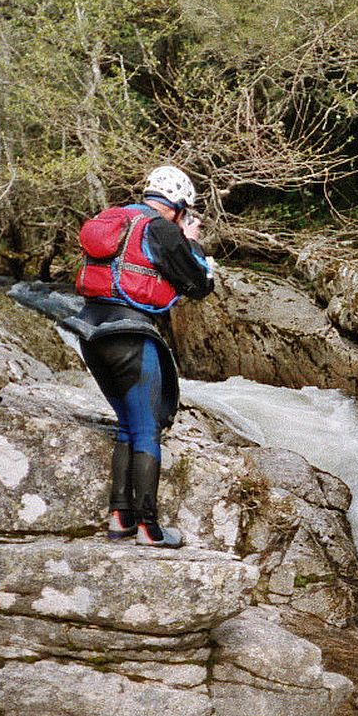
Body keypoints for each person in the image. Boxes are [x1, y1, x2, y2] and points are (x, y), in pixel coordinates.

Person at [63, 163, 216, 547]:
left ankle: (120, 520)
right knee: (147, 428)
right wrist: (190, 242)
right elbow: (199, 284)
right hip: (130, 335)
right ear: (179, 206)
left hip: (91, 335)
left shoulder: (116, 218)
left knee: (129, 425)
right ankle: (149, 529)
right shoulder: (163, 229)